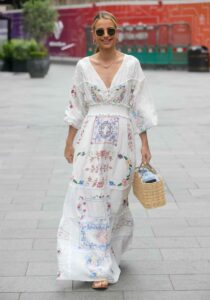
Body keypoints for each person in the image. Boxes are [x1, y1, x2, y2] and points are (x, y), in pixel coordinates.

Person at [57, 11, 158, 289]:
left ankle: (109, 249)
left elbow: (140, 105)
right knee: (89, 196)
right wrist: (69, 141)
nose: (105, 36)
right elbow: (76, 105)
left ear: (117, 33)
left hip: (122, 143)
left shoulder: (132, 64)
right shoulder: (82, 66)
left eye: (110, 31)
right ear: (93, 35)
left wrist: (145, 143)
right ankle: (97, 265)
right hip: (89, 140)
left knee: (115, 198)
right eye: (100, 32)